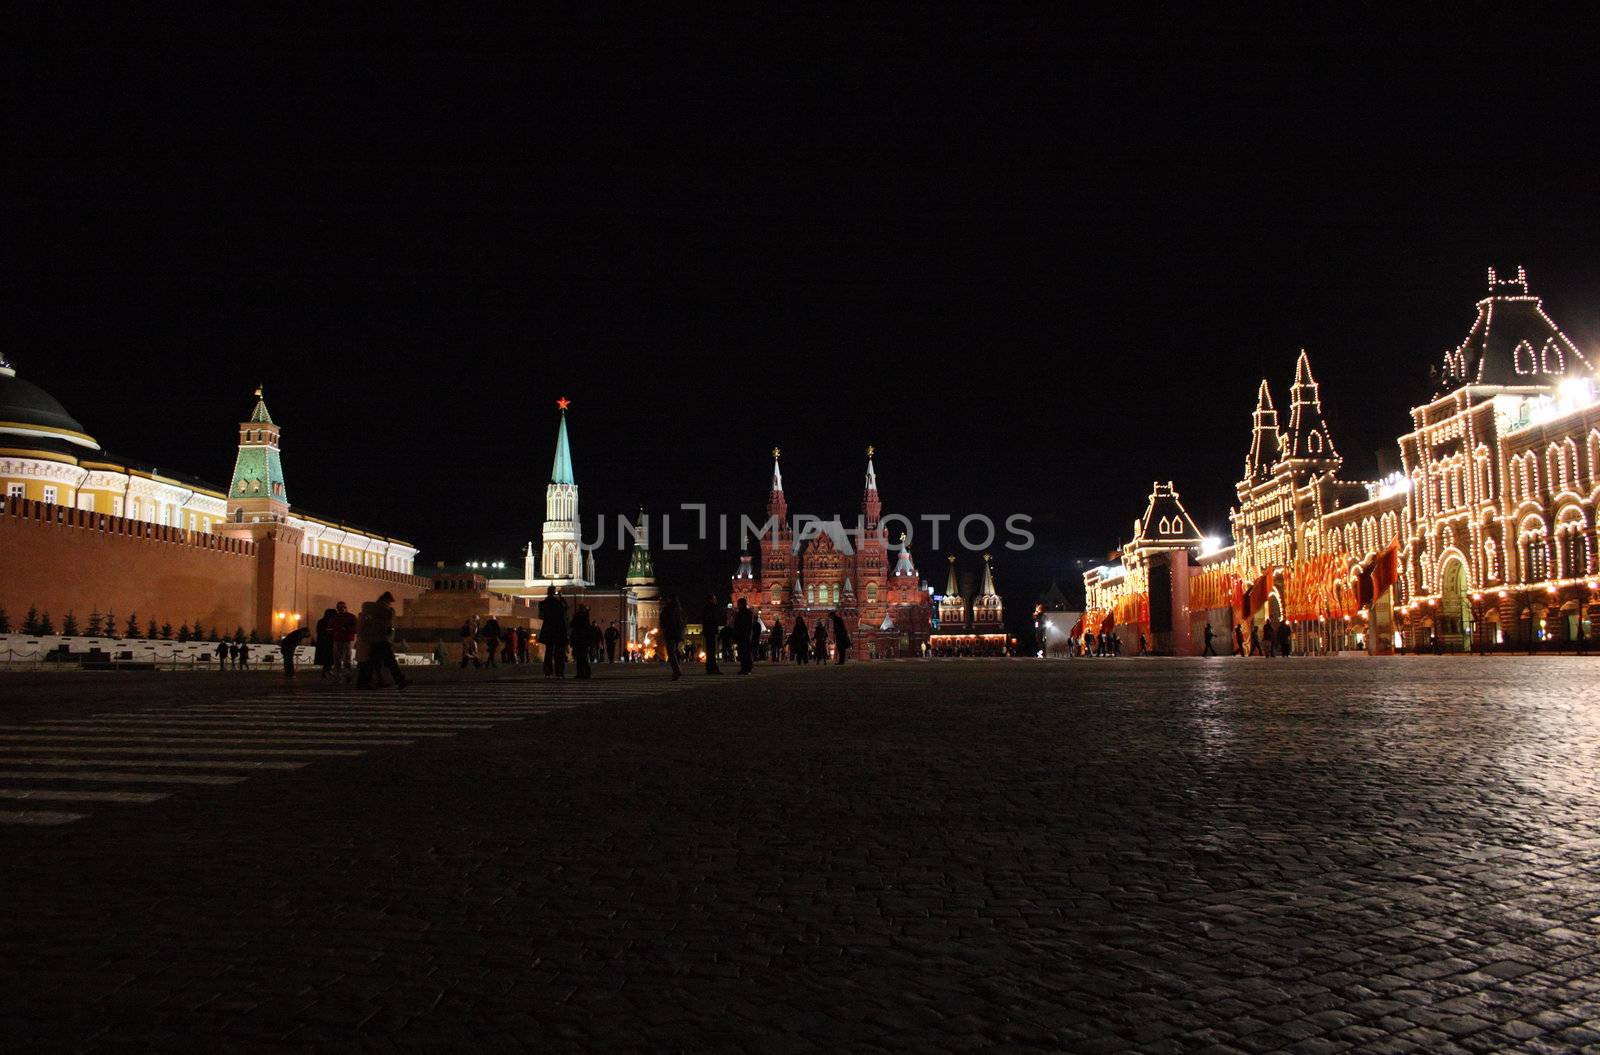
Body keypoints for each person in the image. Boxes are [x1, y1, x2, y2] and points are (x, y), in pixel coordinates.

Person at [357, 591, 408, 689]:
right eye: (389, 602)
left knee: (372, 663)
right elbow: (386, 626)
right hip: (381, 640)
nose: (389, 604)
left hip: (374, 640)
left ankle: (364, 682)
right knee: (390, 661)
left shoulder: (371, 611)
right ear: (385, 601)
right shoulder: (383, 611)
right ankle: (400, 680)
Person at [538, 586, 569, 678]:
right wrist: (561, 597)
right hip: (558, 629)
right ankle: (559, 672)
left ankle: (547, 672)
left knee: (548, 652)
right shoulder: (558, 603)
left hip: (548, 629)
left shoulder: (543, 603)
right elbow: (566, 608)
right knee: (559, 653)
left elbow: (541, 616)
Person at [659, 594, 686, 680]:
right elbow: (683, 621)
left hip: (670, 633)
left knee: (671, 652)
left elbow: (662, 621)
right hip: (677, 633)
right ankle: (678, 669)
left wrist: (664, 628)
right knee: (675, 651)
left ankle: (676, 670)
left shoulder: (667, 609)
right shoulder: (679, 609)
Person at [332, 600, 358, 681]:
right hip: (339, 639)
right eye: (339, 608)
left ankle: (346, 675)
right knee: (338, 659)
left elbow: (356, 629)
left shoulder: (351, 617)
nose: (341, 609)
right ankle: (339, 676)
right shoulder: (336, 617)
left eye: (342, 607)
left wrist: (346, 629)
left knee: (346, 659)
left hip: (346, 640)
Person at [701, 595, 724, 674]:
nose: (716, 600)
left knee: (709, 650)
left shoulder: (706, 608)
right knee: (712, 650)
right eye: (715, 599)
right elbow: (714, 619)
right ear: (711, 600)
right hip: (711, 631)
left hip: (708, 631)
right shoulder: (712, 608)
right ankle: (713, 668)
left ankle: (710, 668)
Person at [733, 598, 755, 675]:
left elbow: (739, 625)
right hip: (745, 635)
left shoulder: (742, 613)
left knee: (744, 652)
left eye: (738, 604)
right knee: (745, 652)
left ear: (741, 604)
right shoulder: (748, 612)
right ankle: (746, 668)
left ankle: (745, 668)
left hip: (743, 635)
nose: (737, 605)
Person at [314, 608, 337, 678]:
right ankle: (327, 671)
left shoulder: (322, 621)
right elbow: (320, 631)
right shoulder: (323, 622)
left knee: (329, 659)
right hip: (325, 643)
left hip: (326, 642)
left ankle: (327, 671)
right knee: (328, 658)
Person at [572, 604, 594, 679]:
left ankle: (581, 673)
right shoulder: (585, 616)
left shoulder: (578, 616)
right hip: (583, 640)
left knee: (580, 657)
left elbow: (572, 625)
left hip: (579, 639)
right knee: (583, 657)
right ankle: (585, 673)